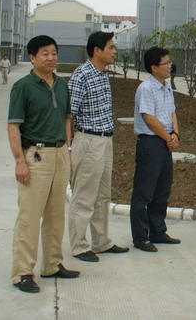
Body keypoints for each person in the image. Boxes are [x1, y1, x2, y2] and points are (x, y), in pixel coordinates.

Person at [7, 35, 79, 293]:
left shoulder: (61, 85)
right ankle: (22, 272)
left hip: (60, 153)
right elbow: (13, 127)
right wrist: (19, 161)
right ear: (32, 58)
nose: (51, 58)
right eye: (45, 53)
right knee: (30, 215)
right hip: (36, 155)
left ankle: (52, 264)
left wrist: (68, 150)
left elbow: (67, 119)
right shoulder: (23, 87)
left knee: (56, 214)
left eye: (54, 53)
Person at [68, 31, 129, 262]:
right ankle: (79, 246)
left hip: (105, 140)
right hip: (88, 140)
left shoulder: (103, 74)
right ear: (97, 50)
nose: (114, 51)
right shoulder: (82, 75)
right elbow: (69, 114)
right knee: (84, 196)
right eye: (111, 47)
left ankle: (101, 241)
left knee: (103, 195)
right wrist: (69, 148)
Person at [131, 47, 181, 252]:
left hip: (165, 143)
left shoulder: (166, 86)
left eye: (169, 62)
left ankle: (158, 231)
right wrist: (168, 137)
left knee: (162, 190)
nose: (170, 66)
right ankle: (141, 237)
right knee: (144, 192)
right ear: (153, 67)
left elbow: (172, 112)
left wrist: (176, 134)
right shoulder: (146, 88)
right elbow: (149, 118)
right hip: (150, 144)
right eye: (166, 63)